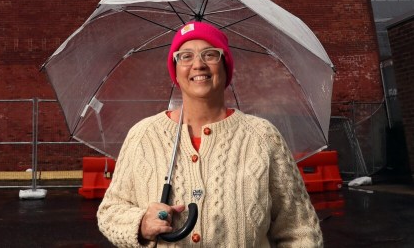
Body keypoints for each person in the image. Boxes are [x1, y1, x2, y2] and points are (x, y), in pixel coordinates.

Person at [97, 21, 323, 247]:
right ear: (174, 69)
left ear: (226, 67)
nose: (198, 64)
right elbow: (110, 211)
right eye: (185, 56)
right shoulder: (143, 136)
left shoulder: (262, 137)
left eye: (210, 54)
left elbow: (300, 230)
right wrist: (141, 224)